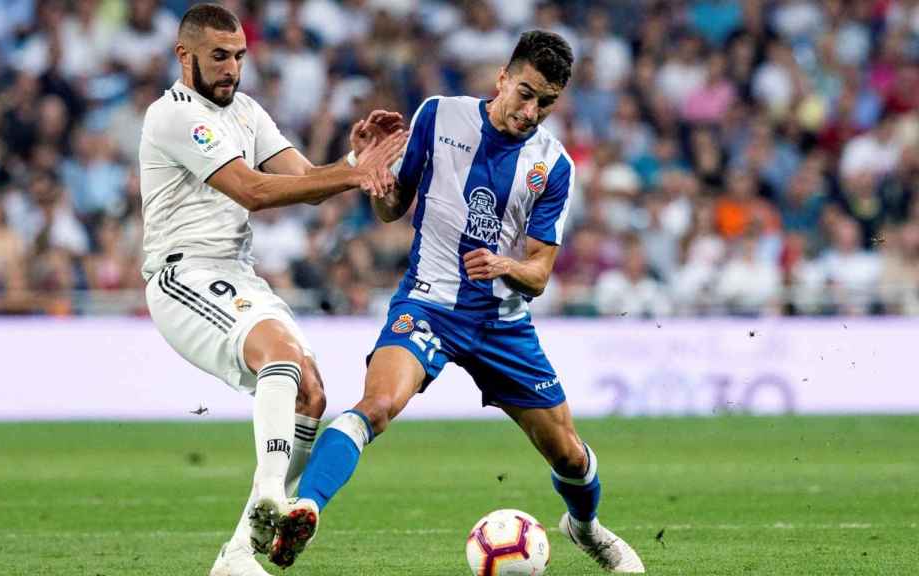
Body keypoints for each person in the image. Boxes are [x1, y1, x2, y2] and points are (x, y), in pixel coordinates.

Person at [273, 31, 645, 573]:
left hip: (503, 324)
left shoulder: (552, 165)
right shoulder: (438, 116)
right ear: (502, 78)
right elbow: (391, 210)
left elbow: (539, 274)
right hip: (429, 304)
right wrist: (373, 175)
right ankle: (305, 507)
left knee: (566, 451)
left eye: (547, 102)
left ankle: (584, 527)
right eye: (525, 92)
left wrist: (506, 267)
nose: (532, 110)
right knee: (376, 406)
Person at [138, 5, 406, 576]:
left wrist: (355, 159)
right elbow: (254, 191)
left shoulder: (247, 112)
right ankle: (270, 492)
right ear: (183, 56)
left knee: (311, 392)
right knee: (280, 357)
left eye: (238, 55)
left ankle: (237, 556)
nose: (232, 67)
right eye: (219, 56)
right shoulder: (173, 115)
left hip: (235, 272)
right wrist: (356, 173)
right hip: (182, 274)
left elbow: (306, 185)